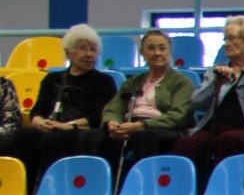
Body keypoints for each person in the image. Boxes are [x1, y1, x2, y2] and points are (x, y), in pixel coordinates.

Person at [170, 15, 244, 183]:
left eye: (232, 38)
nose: (226, 44)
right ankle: (182, 192)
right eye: (225, 39)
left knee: (228, 140)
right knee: (186, 143)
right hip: (213, 130)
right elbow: (197, 103)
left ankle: (222, 188)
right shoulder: (217, 70)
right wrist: (216, 82)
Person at [16, 24, 117, 182]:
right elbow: (38, 109)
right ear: (69, 53)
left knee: (52, 140)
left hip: (81, 129)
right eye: (83, 48)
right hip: (52, 126)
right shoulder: (52, 79)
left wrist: (69, 125)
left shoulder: (104, 81)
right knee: (23, 136)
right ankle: (24, 189)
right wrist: (38, 121)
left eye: (93, 49)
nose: (89, 54)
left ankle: (51, 186)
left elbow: (101, 115)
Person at [95, 31, 196, 177]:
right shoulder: (133, 82)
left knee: (145, 137)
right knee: (94, 137)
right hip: (129, 125)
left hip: (162, 128)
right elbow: (113, 108)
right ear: (142, 53)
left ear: (169, 51)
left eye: (162, 48)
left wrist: (140, 126)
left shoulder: (182, 82)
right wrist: (112, 124)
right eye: (151, 48)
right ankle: (102, 186)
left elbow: (178, 116)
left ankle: (144, 185)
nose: (157, 53)